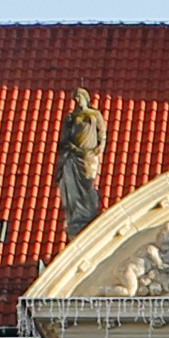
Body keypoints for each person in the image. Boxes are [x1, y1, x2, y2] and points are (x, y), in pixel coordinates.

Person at [55, 88, 107, 237]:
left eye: (80, 97)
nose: (78, 100)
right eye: (76, 98)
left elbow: (102, 133)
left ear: (86, 98)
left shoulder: (94, 115)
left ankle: (88, 211)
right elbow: (64, 138)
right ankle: (78, 214)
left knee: (87, 182)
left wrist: (100, 147)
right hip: (73, 155)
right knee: (72, 184)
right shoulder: (71, 117)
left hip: (88, 156)